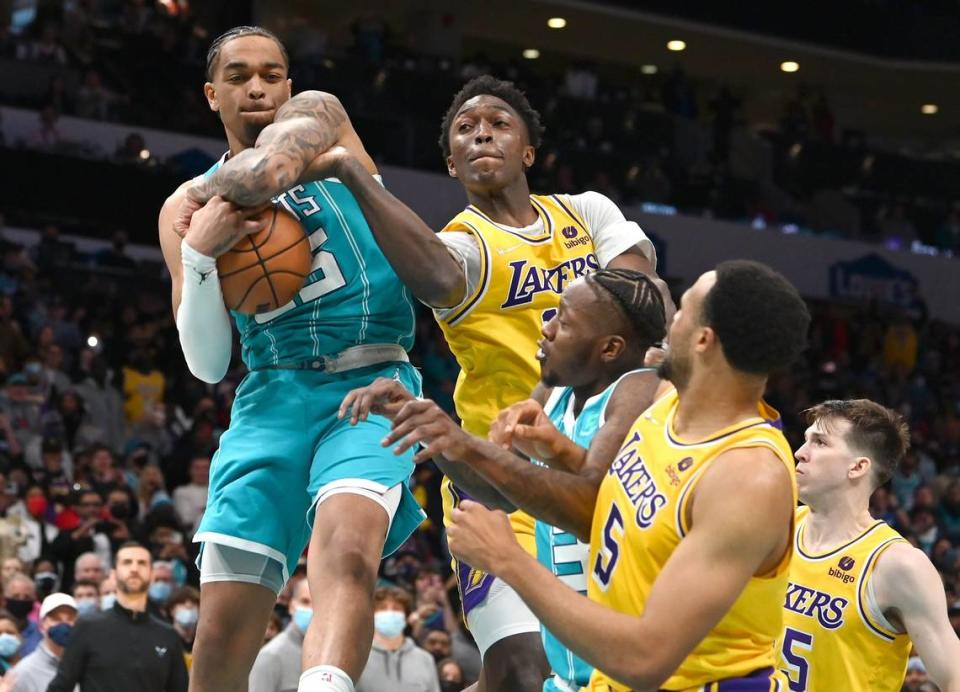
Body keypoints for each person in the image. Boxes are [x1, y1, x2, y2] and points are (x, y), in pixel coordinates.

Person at [309, 74, 664, 692]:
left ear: (529, 151)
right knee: (528, 669)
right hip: (498, 479)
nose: (482, 135)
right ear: (452, 163)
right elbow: (437, 279)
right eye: (465, 131)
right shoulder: (462, 248)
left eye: (499, 124)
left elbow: (645, 301)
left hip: (601, 467)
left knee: (587, 670)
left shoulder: (587, 211)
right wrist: (353, 173)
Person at [157, 25, 425, 692]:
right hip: (271, 396)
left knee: (348, 549)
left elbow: (264, 171)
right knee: (220, 633)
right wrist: (199, 254)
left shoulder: (325, 123)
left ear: (290, 86)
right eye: (241, 75)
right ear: (211, 93)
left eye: (272, 74)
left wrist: (210, 199)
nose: (257, 87)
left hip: (372, 383)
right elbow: (209, 365)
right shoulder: (182, 213)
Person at [440, 261, 811, 690]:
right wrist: (555, 447)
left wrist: (508, 559)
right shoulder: (670, 400)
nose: (669, 323)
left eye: (683, 311)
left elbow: (646, 659)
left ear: (703, 341)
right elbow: (614, 502)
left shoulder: (747, 477)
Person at [342, 269, 667, 691]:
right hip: (574, 668)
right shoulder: (554, 394)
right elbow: (497, 491)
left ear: (609, 348)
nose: (546, 329)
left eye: (564, 322)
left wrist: (461, 441)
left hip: (625, 666)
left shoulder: (640, 391)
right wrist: (426, 422)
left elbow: (591, 504)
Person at [781, 399, 960, 690]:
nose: (800, 453)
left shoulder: (897, 565)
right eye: (805, 440)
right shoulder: (777, 527)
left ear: (858, 467)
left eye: (820, 443)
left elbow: (954, 677)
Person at [46, 542, 188, 692]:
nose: (134, 569)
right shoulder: (87, 628)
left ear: (152, 575)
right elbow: (60, 687)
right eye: (127, 562)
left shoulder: (167, 635)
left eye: (142, 563)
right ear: (113, 575)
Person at [356, 587, 440, 692]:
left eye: (396, 608)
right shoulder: (356, 657)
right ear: (371, 615)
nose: (389, 613)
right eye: (382, 608)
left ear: (406, 617)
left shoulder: (425, 659)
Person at [248, 577, 312, 692]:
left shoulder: (338, 653)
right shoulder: (270, 656)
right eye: (305, 602)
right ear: (292, 606)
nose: (311, 609)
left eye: (318, 603)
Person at [4, 593, 76, 692]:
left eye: (71, 619)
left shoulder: (88, 666)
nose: (64, 624)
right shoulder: (22, 673)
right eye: (56, 619)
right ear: (42, 625)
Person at [3, 576, 39, 657]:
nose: (21, 600)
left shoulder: (39, 631)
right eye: (16, 596)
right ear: (4, 599)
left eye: (27, 597)